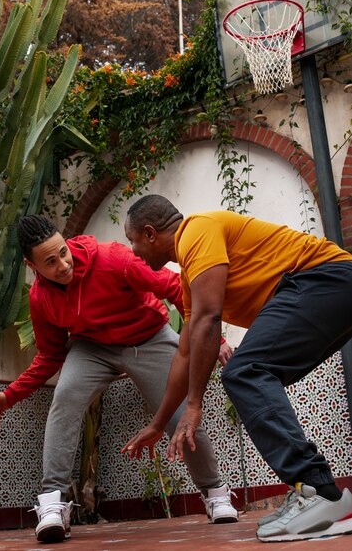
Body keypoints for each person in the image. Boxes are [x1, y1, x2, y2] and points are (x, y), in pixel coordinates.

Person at [0, 214, 238, 544]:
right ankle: (52, 503)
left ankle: (215, 493)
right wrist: (9, 396)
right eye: (50, 261)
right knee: (65, 397)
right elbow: (50, 356)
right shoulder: (41, 299)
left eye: (63, 252)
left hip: (149, 337)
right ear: (33, 267)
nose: (62, 264)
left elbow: (174, 288)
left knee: (179, 417)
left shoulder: (113, 258)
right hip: (93, 347)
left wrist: (213, 339)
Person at [122, 194, 352, 543]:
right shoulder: (189, 278)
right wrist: (158, 424)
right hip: (324, 289)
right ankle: (317, 493)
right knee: (253, 370)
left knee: (246, 370)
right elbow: (185, 354)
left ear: (151, 233)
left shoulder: (197, 230)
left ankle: (318, 492)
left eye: (133, 241)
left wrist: (196, 404)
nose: (134, 251)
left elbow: (209, 319)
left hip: (324, 279)